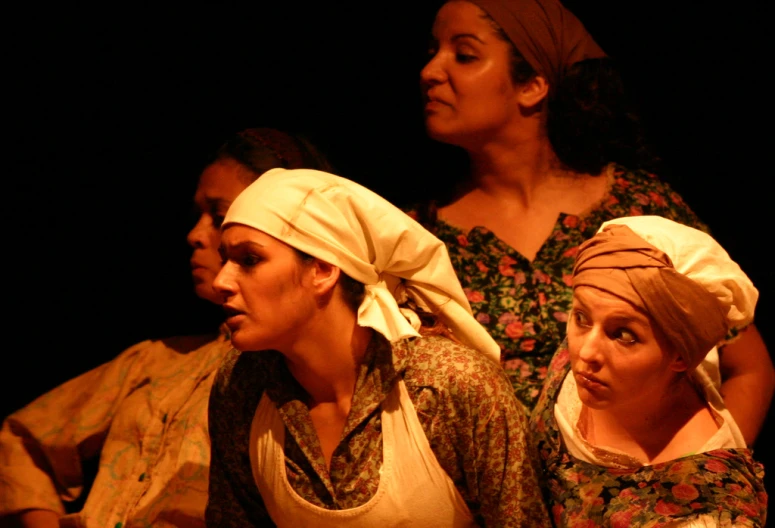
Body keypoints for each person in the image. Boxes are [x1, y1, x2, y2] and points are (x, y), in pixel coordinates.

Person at [410, 0, 774, 444]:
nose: (431, 71)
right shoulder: (416, 238)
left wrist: (700, 478)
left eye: (464, 55)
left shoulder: (638, 206)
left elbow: (747, 366)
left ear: (533, 86)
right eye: (433, 51)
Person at [0, 127, 333, 528]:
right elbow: (22, 439)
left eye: (221, 217)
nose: (195, 236)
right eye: (198, 216)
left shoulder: (302, 381)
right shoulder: (156, 360)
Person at [204, 168, 551, 527]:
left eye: (249, 260)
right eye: (224, 259)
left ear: (322, 269)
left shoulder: (448, 385)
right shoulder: (243, 381)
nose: (221, 282)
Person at [529, 215, 768, 526]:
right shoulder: (595, 361)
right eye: (581, 317)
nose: (585, 351)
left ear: (680, 356)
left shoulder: (704, 508)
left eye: (623, 335)